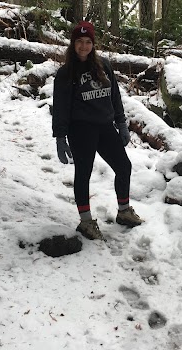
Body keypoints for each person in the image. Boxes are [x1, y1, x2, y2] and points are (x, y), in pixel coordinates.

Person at [52, 20, 143, 240]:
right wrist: (60, 136)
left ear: (93, 44)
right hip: (80, 130)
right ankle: (85, 222)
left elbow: (114, 96)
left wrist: (121, 123)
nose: (84, 46)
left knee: (124, 167)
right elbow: (61, 107)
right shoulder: (66, 73)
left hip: (105, 126)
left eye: (88, 42)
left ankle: (123, 211)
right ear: (73, 44)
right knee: (83, 174)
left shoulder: (103, 65)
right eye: (79, 42)